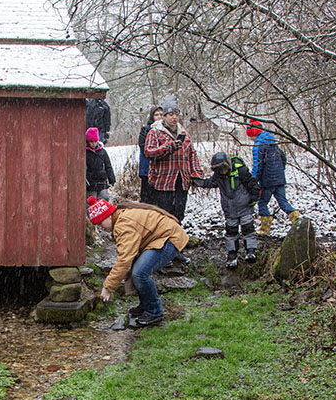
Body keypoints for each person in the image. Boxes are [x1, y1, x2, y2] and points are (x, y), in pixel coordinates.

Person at [88, 196, 189, 327]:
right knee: (137, 269)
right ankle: (146, 305)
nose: (101, 228)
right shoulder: (120, 217)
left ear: (108, 216)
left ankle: (154, 312)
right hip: (163, 237)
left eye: (100, 224)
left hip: (169, 239)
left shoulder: (123, 224)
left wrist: (108, 287)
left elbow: (124, 259)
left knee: (139, 273)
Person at [191, 152, 260, 269]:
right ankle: (232, 256)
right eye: (218, 170)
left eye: (223, 169)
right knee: (231, 232)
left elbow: (252, 183)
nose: (222, 172)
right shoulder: (218, 177)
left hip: (244, 206)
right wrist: (195, 181)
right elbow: (209, 183)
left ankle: (251, 251)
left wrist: (254, 196)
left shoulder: (240, 171)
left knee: (248, 229)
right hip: (230, 209)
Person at [144, 95, 205, 223]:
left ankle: (177, 239)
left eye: (176, 114)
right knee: (164, 215)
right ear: (164, 116)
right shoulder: (155, 132)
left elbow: (192, 154)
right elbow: (148, 152)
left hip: (182, 180)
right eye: (170, 114)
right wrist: (167, 147)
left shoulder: (184, 134)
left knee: (179, 213)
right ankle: (164, 240)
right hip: (163, 181)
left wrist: (196, 174)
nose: (174, 117)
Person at [247, 119, 300, 235]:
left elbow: (257, 165)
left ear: (254, 134)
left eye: (251, 137)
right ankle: (298, 220)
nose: (251, 140)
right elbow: (283, 158)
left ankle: (265, 229)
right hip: (279, 178)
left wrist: (253, 180)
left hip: (267, 181)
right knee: (283, 201)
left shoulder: (258, 146)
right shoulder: (273, 142)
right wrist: (280, 171)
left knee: (262, 202)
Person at [137, 106, 164, 203]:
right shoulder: (146, 129)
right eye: (156, 115)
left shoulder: (166, 130)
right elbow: (143, 147)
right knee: (147, 197)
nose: (159, 117)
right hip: (147, 168)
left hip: (162, 169)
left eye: (161, 114)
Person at [85, 127, 115, 200]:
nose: (94, 144)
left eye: (95, 141)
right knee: (91, 201)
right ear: (87, 142)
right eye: (91, 142)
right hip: (90, 183)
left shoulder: (102, 152)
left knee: (104, 199)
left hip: (102, 181)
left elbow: (108, 166)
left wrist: (112, 179)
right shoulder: (85, 153)